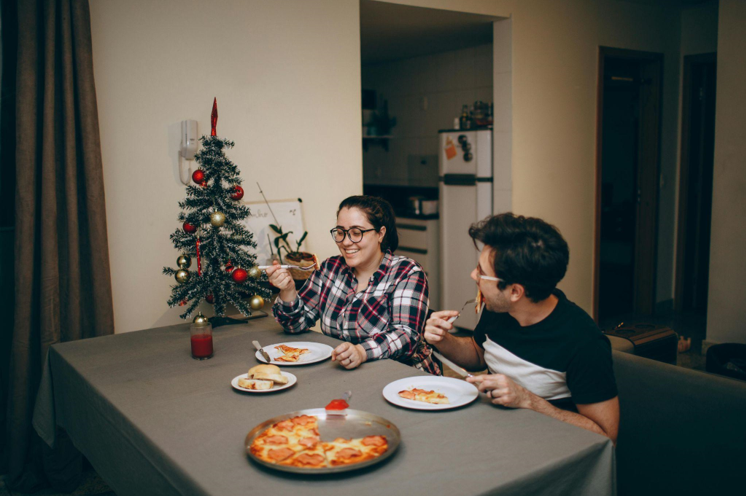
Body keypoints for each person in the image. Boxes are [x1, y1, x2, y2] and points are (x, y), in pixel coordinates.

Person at [425, 213, 619, 443]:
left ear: (515, 292)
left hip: (548, 446)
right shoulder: (499, 308)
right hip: (494, 431)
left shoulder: (584, 342)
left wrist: (529, 401)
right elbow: (479, 354)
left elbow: (606, 435)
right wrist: (443, 340)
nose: (473, 275)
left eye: (482, 272)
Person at [268, 195, 440, 374]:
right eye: (341, 232)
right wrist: (288, 290)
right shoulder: (330, 268)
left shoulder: (407, 272)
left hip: (404, 377)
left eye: (357, 233)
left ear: (380, 233)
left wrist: (361, 351)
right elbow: (294, 325)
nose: (346, 242)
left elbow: (406, 336)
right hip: (345, 373)